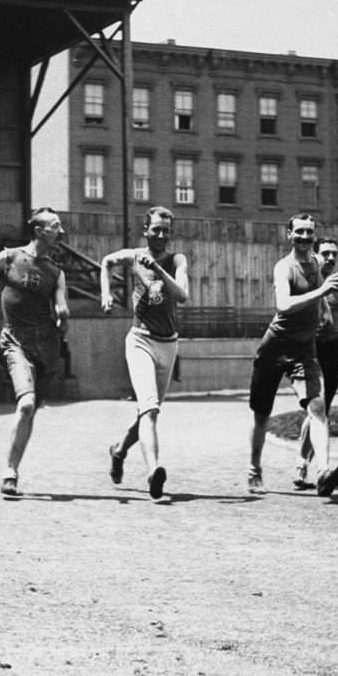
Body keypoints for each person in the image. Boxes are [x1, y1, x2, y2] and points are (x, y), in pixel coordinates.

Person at [0, 207, 70, 497]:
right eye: (55, 226)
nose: (61, 231)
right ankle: (9, 471)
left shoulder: (56, 273)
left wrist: (64, 316)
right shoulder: (9, 258)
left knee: (31, 409)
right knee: (26, 404)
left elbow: (62, 312)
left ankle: (14, 467)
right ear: (39, 230)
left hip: (46, 348)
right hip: (15, 342)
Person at [247, 213, 338, 497]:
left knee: (318, 409)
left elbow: (323, 300)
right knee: (261, 414)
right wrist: (321, 293)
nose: (305, 238)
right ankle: (254, 469)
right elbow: (283, 305)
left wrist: (325, 313)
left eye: (310, 233)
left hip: (304, 349)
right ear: (289, 235)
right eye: (300, 233)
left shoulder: (316, 264)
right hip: (275, 346)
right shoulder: (284, 267)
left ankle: (323, 472)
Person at [101, 206, 190, 501]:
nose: (161, 235)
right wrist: (106, 293)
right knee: (150, 409)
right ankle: (154, 473)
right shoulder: (132, 256)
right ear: (146, 231)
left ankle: (119, 450)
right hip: (140, 341)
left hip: (169, 344)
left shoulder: (177, 260)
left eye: (166, 230)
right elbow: (106, 262)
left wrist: (158, 268)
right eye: (156, 230)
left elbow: (182, 295)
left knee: (146, 413)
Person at [292, 237, 338, 489]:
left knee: (323, 409)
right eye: (326, 254)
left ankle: (304, 465)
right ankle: (303, 465)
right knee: (316, 409)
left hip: (334, 350)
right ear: (316, 256)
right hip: (312, 350)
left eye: (334, 254)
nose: (330, 258)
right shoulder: (307, 285)